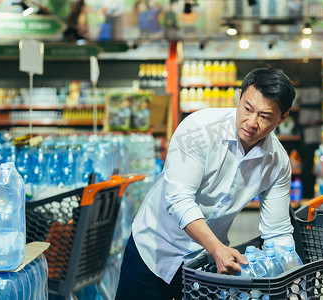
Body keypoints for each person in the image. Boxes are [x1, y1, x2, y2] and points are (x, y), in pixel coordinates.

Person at [115, 67, 297, 300]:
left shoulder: (277, 162)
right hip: (154, 251)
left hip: (204, 266)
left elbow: (278, 231)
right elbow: (179, 199)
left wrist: (293, 281)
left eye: (265, 116)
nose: (251, 122)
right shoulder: (198, 129)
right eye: (248, 109)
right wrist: (216, 248)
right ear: (239, 97)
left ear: (283, 117)